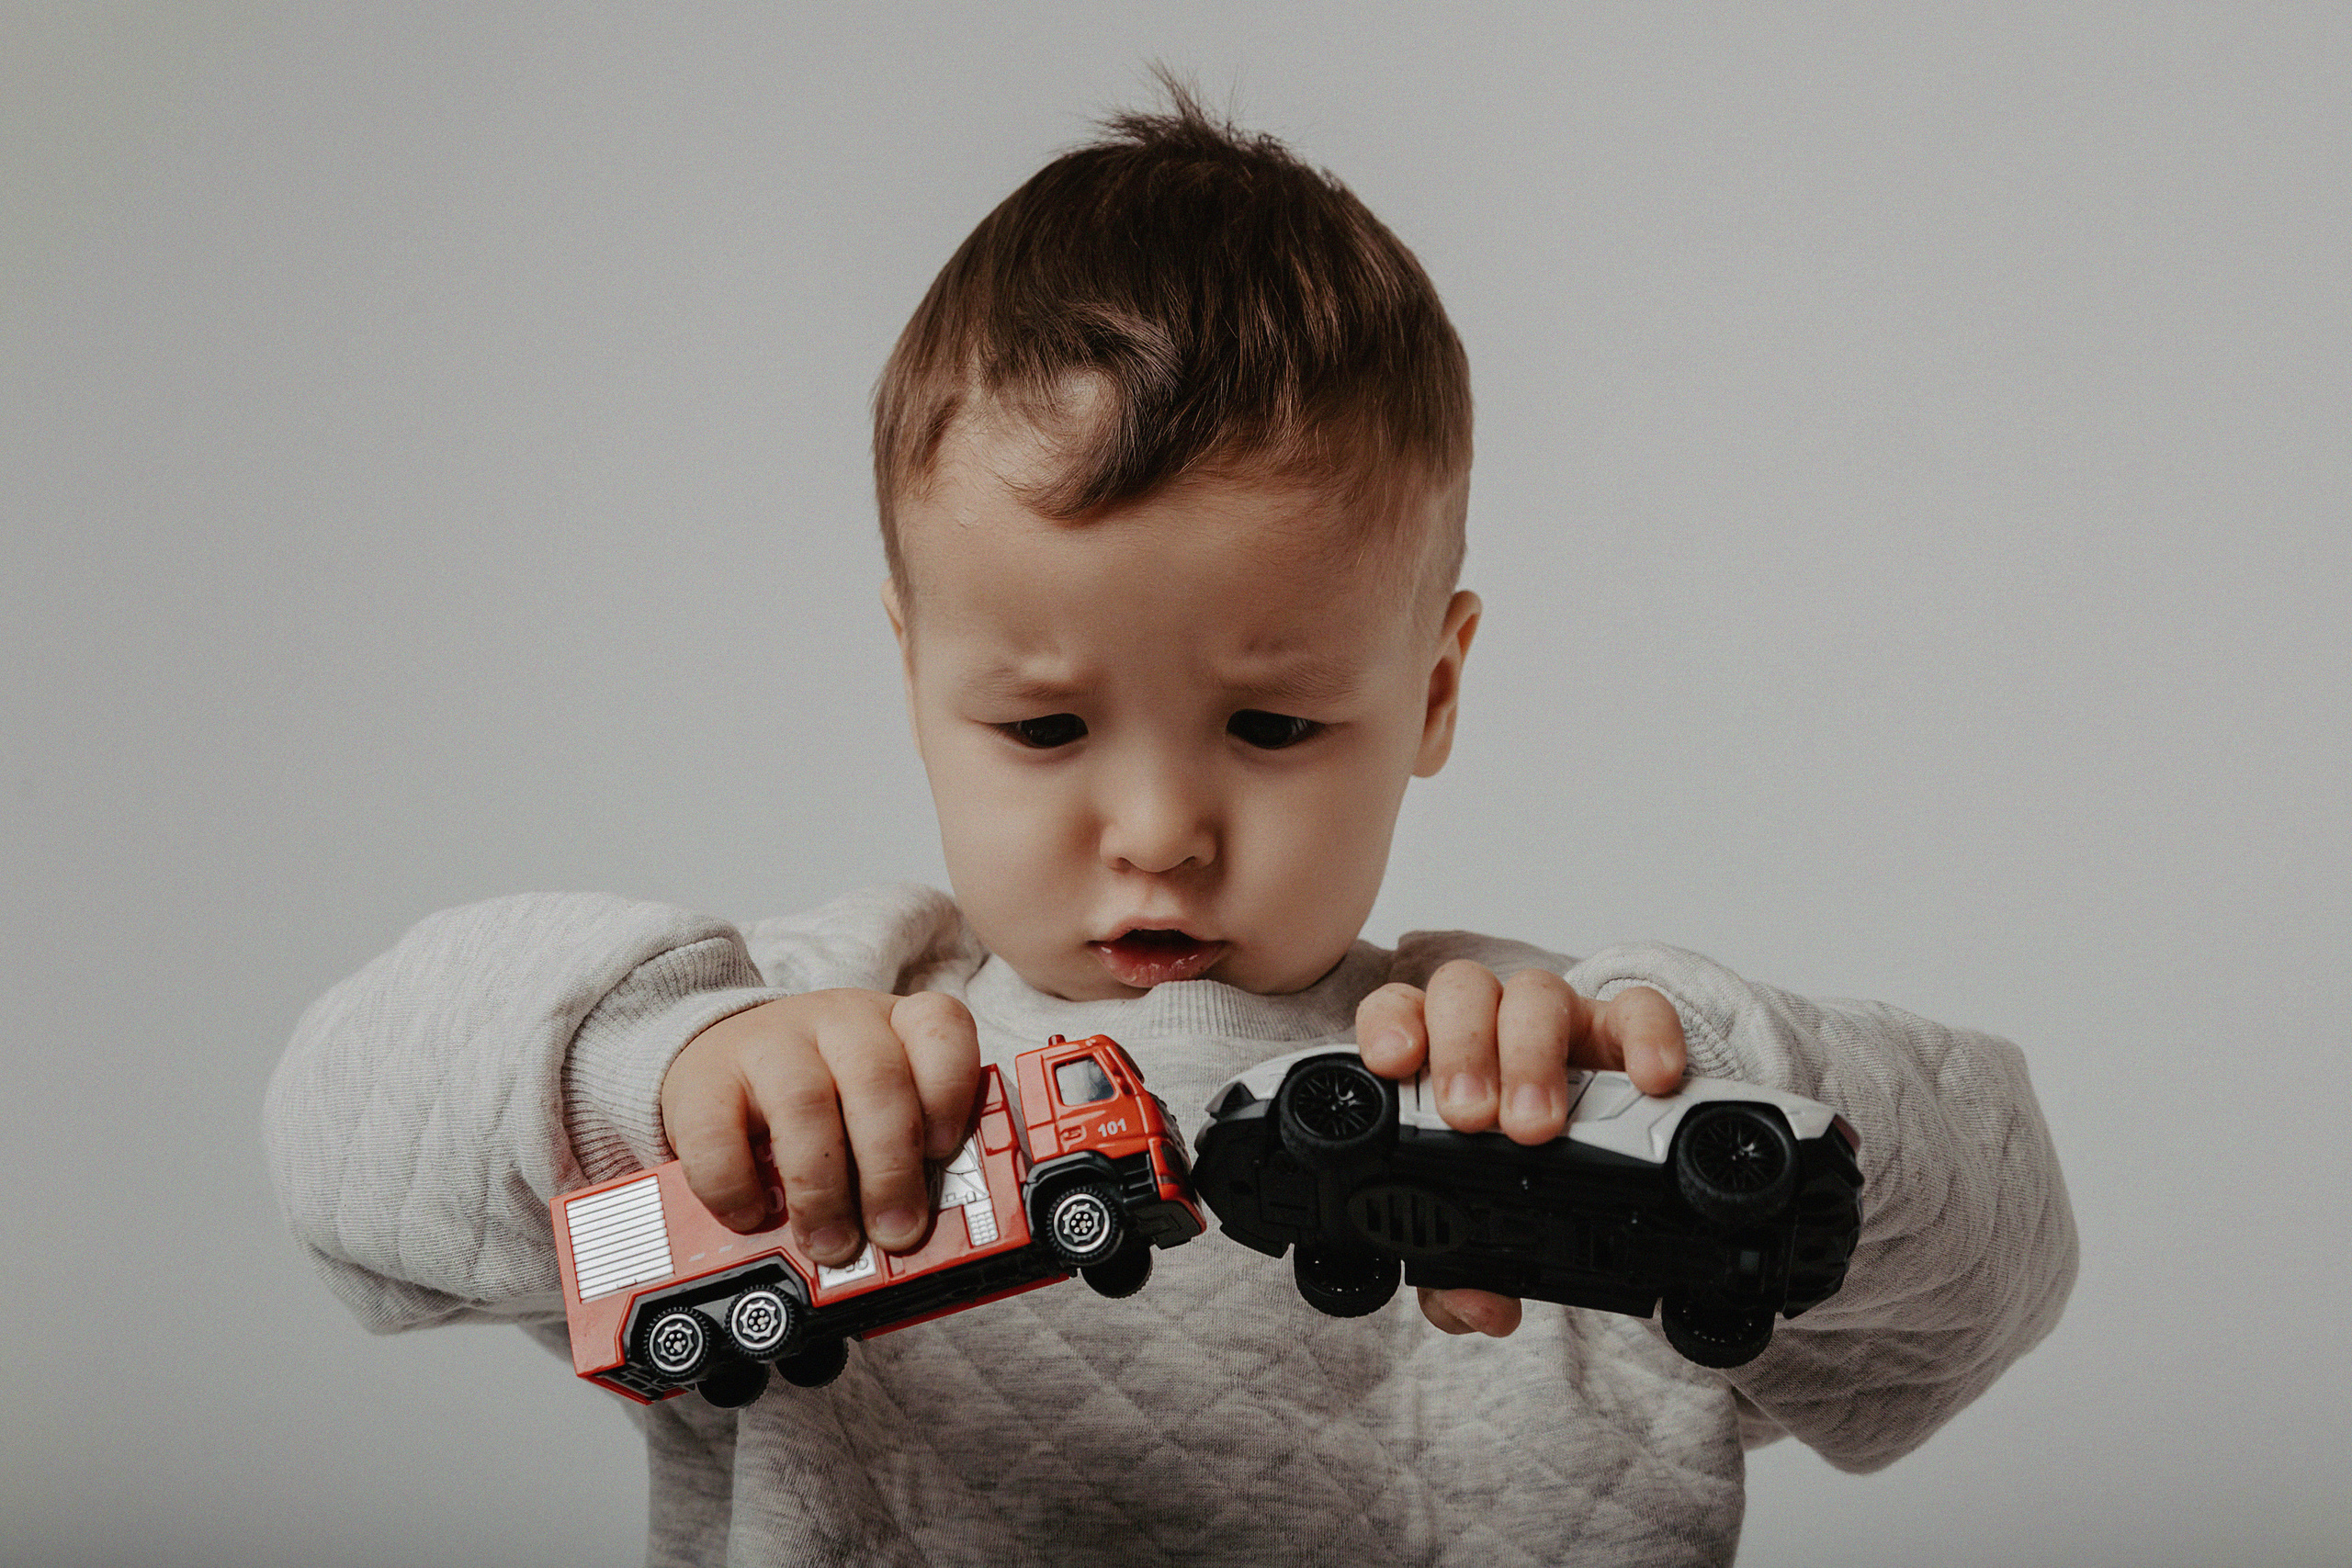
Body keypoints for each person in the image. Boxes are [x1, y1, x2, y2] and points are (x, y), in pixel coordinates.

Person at [266, 88, 2075, 1567]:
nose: (1157, 830)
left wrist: (1700, 1088)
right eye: (1043, 724)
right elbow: (340, 1144)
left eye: (1272, 723)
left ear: (1431, 690)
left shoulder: (1534, 1071)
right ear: (916, 678)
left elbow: (1989, 1271)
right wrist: (652, 1071)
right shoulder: (821, 1035)